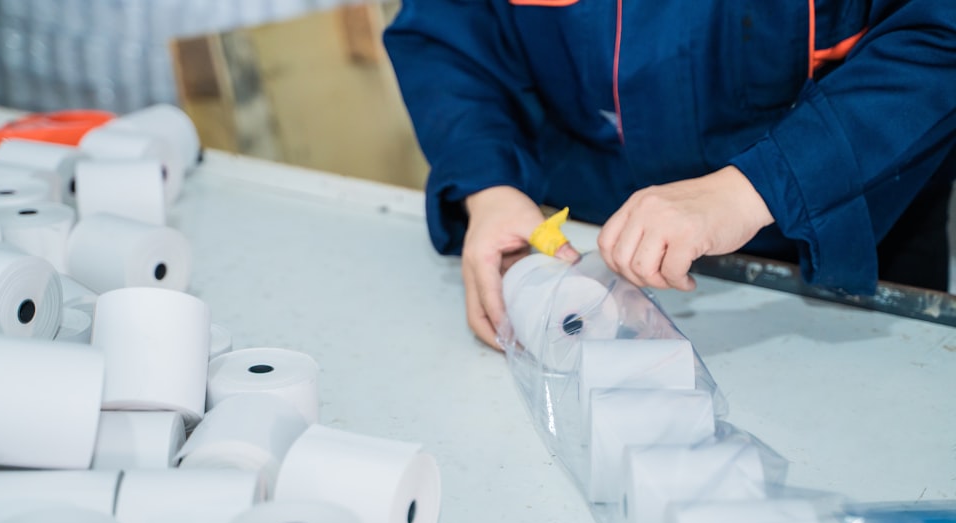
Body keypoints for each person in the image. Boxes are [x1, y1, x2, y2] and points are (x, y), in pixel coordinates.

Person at [382, 1, 956, 349]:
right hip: (583, 248)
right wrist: (491, 186)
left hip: (848, 246)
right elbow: (445, 31)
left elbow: (939, 39)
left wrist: (760, 184)